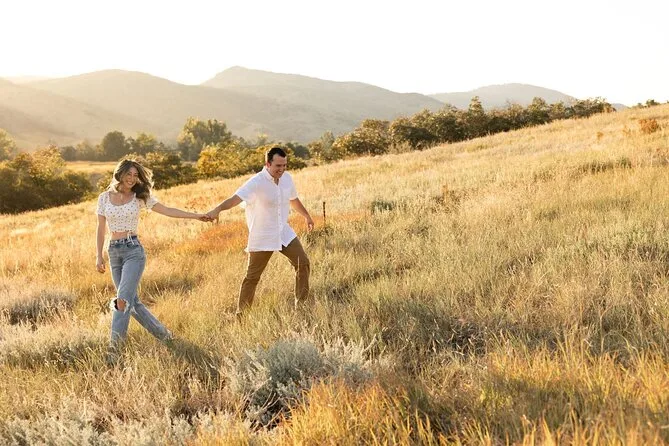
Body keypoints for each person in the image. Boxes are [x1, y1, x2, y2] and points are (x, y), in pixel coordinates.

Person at [95, 159, 211, 354]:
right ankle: (166, 337)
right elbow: (100, 228)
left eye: (135, 175)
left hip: (133, 251)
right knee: (133, 303)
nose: (132, 179)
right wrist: (98, 256)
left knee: (122, 301)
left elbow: (167, 210)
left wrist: (196, 215)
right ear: (120, 174)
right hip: (113, 251)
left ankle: (114, 352)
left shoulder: (139, 196)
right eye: (129, 174)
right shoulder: (104, 198)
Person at [206, 147, 314, 317]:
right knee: (252, 278)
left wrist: (306, 216)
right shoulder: (256, 182)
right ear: (268, 164)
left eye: (284, 165)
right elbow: (235, 199)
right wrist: (217, 209)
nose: (282, 169)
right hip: (263, 235)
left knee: (303, 263)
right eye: (278, 166)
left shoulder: (286, 178)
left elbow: (293, 199)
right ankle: (242, 317)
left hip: (283, 232)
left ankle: (301, 307)